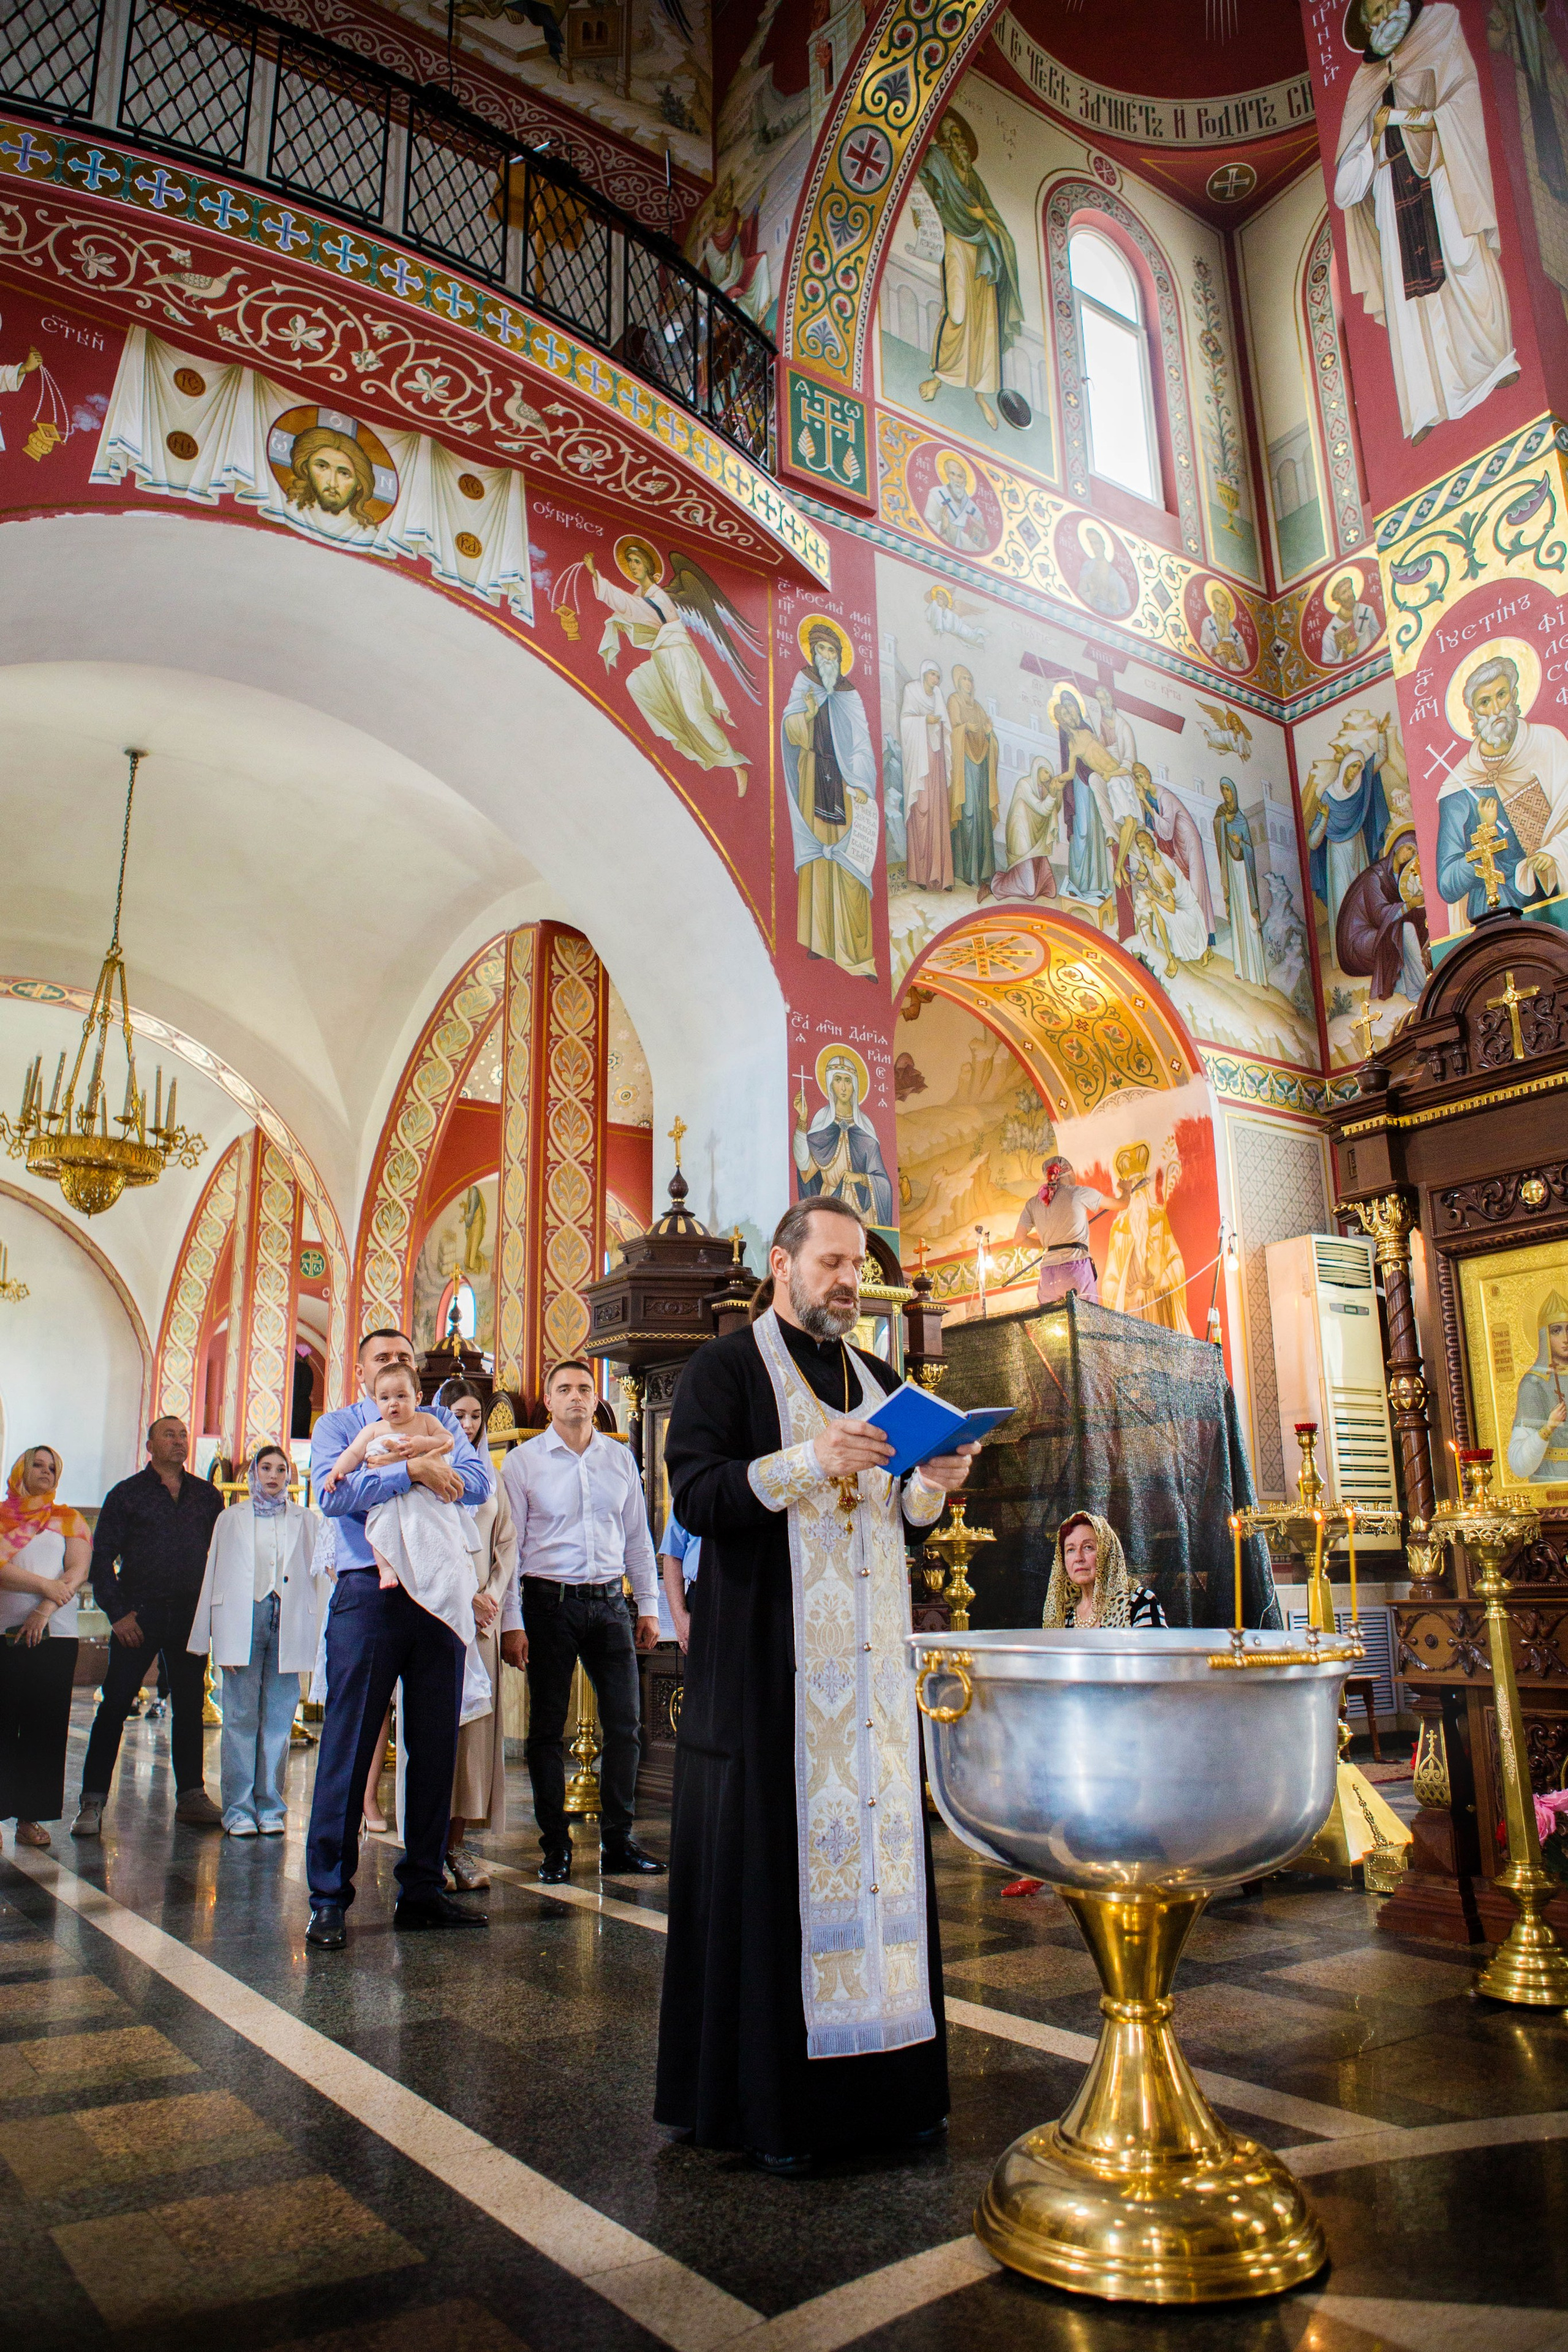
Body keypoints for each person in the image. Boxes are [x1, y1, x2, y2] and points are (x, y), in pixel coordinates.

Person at [655, 1196, 980, 2173]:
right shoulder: (723, 1369)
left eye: (856, 1265)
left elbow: (896, 1517)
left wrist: (936, 1484)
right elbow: (698, 1495)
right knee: (773, 1883)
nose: (846, 1280)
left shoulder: (877, 1376)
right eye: (830, 1261)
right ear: (783, 1262)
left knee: (881, 1873)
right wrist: (805, 1460)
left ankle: (892, 2090)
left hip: (870, 1694)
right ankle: (779, 2111)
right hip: (769, 1688)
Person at [304, 1329, 493, 1951]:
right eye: (383, 1360)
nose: (395, 1368)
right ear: (362, 1374)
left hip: (437, 1594)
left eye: (405, 1360)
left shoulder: (439, 1417)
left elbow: (476, 1482)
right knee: (349, 1740)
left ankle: (422, 1890)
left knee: (435, 1744)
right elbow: (334, 1496)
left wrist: (422, 1469)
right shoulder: (339, 1426)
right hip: (368, 1596)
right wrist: (412, 1470)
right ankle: (329, 1896)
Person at [502, 1359, 663, 1884]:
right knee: (546, 1729)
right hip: (548, 1604)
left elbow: (639, 1541)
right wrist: (512, 1622)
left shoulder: (619, 1460)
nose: (576, 1397)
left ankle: (618, 1841)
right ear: (548, 1401)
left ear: (597, 1398)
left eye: (584, 1388)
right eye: (564, 1389)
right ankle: (556, 1847)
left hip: (609, 1603)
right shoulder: (523, 1463)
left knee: (626, 1725)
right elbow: (509, 1551)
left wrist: (649, 1607)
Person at [1333, 0, 1517, 444]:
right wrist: (1377, 132)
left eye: (1384, 7)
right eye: (1371, 16)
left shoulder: (1440, 25)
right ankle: (1427, 407)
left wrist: (1411, 119)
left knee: (1464, 261)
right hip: (1392, 198)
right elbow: (1344, 187)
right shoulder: (1364, 82)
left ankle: (1495, 362)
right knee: (1411, 307)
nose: (1381, 20)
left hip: (1442, 173)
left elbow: (1463, 99)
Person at [73, 1416, 225, 1838]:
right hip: (139, 1615)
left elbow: (221, 1558)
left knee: (191, 1705)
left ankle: (192, 1796)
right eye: (169, 1435)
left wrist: (215, 1615)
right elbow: (101, 1559)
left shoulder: (208, 1496)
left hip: (191, 1617)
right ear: (150, 1445)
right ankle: (93, 1800)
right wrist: (118, 1613)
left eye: (183, 1435)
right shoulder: (127, 1495)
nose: (179, 1441)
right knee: (116, 1703)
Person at [1002, 1512, 1164, 1897]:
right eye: (1070, 1550)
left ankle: (1133, 1861)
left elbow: (1156, 1666)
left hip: (1130, 1723)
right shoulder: (1065, 1615)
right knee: (1027, 1746)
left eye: (1089, 1548)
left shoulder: (1138, 1600)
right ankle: (1041, 1862)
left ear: (1105, 1553)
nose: (1079, 1557)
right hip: (1073, 1721)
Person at [186, 1446, 322, 1837]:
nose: (274, 1475)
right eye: (266, 1467)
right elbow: (215, 1575)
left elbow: (317, 1579)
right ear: (253, 1473)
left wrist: (317, 1635)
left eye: (282, 1469)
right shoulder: (231, 1518)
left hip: (288, 1622)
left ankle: (271, 1807)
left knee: (280, 1719)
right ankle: (238, 1809)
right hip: (244, 1620)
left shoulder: (305, 1520)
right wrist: (211, 1637)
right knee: (242, 1718)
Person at [434, 1378, 518, 1892]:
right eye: (457, 1415)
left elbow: (506, 1544)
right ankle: (426, 1845)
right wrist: (462, 1593)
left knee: (475, 1739)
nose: (467, 1425)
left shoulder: (491, 1475)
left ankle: (459, 1845)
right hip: (439, 1611)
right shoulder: (427, 1473)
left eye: (474, 1416)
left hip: (482, 1620)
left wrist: (490, 1594)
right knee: (437, 1730)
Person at [0, 1448, 91, 1852]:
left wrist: (45, 1608)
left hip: (56, 1636)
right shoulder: (2, 1516)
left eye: (52, 1467)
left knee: (44, 1728)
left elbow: (76, 1571)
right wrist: (44, 1589)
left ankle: (30, 1817)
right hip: (5, 1634)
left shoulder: (68, 1519)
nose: (46, 1472)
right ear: (20, 1469)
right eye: (37, 1465)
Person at [1436, 655, 1568, 929]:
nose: (1496, 709)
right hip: (1501, 911)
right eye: (1485, 703)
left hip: (1558, 895)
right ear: (1473, 715)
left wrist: (1555, 851)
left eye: (1502, 695)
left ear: (1515, 695)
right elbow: (1447, 883)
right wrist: (1480, 844)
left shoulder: (1549, 744)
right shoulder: (1460, 786)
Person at [916, 108, 1024, 432]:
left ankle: (981, 395)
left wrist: (982, 217)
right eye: (948, 135)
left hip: (984, 252)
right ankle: (938, 376)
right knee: (959, 313)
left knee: (985, 327)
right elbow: (923, 185)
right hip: (956, 242)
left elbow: (992, 220)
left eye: (958, 134)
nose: (954, 140)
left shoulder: (974, 181)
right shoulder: (937, 160)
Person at [1012, 1155, 1107, 1306]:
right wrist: (1127, 1189)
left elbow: (1019, 1240)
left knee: (1053, 1324)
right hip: (1076, 1269)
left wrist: (1047, 1243)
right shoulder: (1078, 1193)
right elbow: (1122, 1204)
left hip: (1048, 1274)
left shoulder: (1034, 1202)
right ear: (1068, 1172)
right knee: (1087, 1321)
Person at [900, 662, 954, 892]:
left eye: (939, 675)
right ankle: (921, 874)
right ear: (924, 674)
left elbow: (945, 726)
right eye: (933, 674)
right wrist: (924, 721)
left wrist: (936, 725)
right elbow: (905, 721)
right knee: (922, 809)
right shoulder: (912, 690)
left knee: (938, 813)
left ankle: (942, 876)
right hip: (919, 762)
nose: (937, 679)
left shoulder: (939, 695)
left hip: (936, 758)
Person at [1507, 1290, 1568, 1485]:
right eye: (1556, 1330)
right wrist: (1548, 1427)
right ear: (1544, 1336)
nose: (1565, 1338)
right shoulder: (1534, 1384)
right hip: (1551, 1477)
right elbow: (1519, 1464)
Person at [947, 665, 1000, 891]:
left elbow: (991, 737)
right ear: (958, 682)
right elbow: (951, 731)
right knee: (967, 813)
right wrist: (964, 728)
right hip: (963, 764)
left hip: (980, 769)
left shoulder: (978, 707)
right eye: (965, 679)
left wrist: (988, 734)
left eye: (971, 679)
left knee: (981, 816)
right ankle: (964, 870)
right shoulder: (954, 701)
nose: (969, 683)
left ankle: (983, 872)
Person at [1214, 778, 1270, 987]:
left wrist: (1240, 844)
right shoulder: (1221, 815)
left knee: (1248, 916)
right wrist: (1223, 823)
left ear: (1234, 792)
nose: (1225, 793)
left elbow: (1250, 850)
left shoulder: (1242, 819)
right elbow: (1218, 829)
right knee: (1237, 917)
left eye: (1228, 789)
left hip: (1243, 874)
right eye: (1223, 790)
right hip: (1231, 872)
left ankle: (1256, 972)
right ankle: (1240, 968)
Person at [657, 1512, 700, 1652]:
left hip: (748, 1594)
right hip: (699, 1598)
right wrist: (679, 1616)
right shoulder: (688, 1492)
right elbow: (672, 1554)